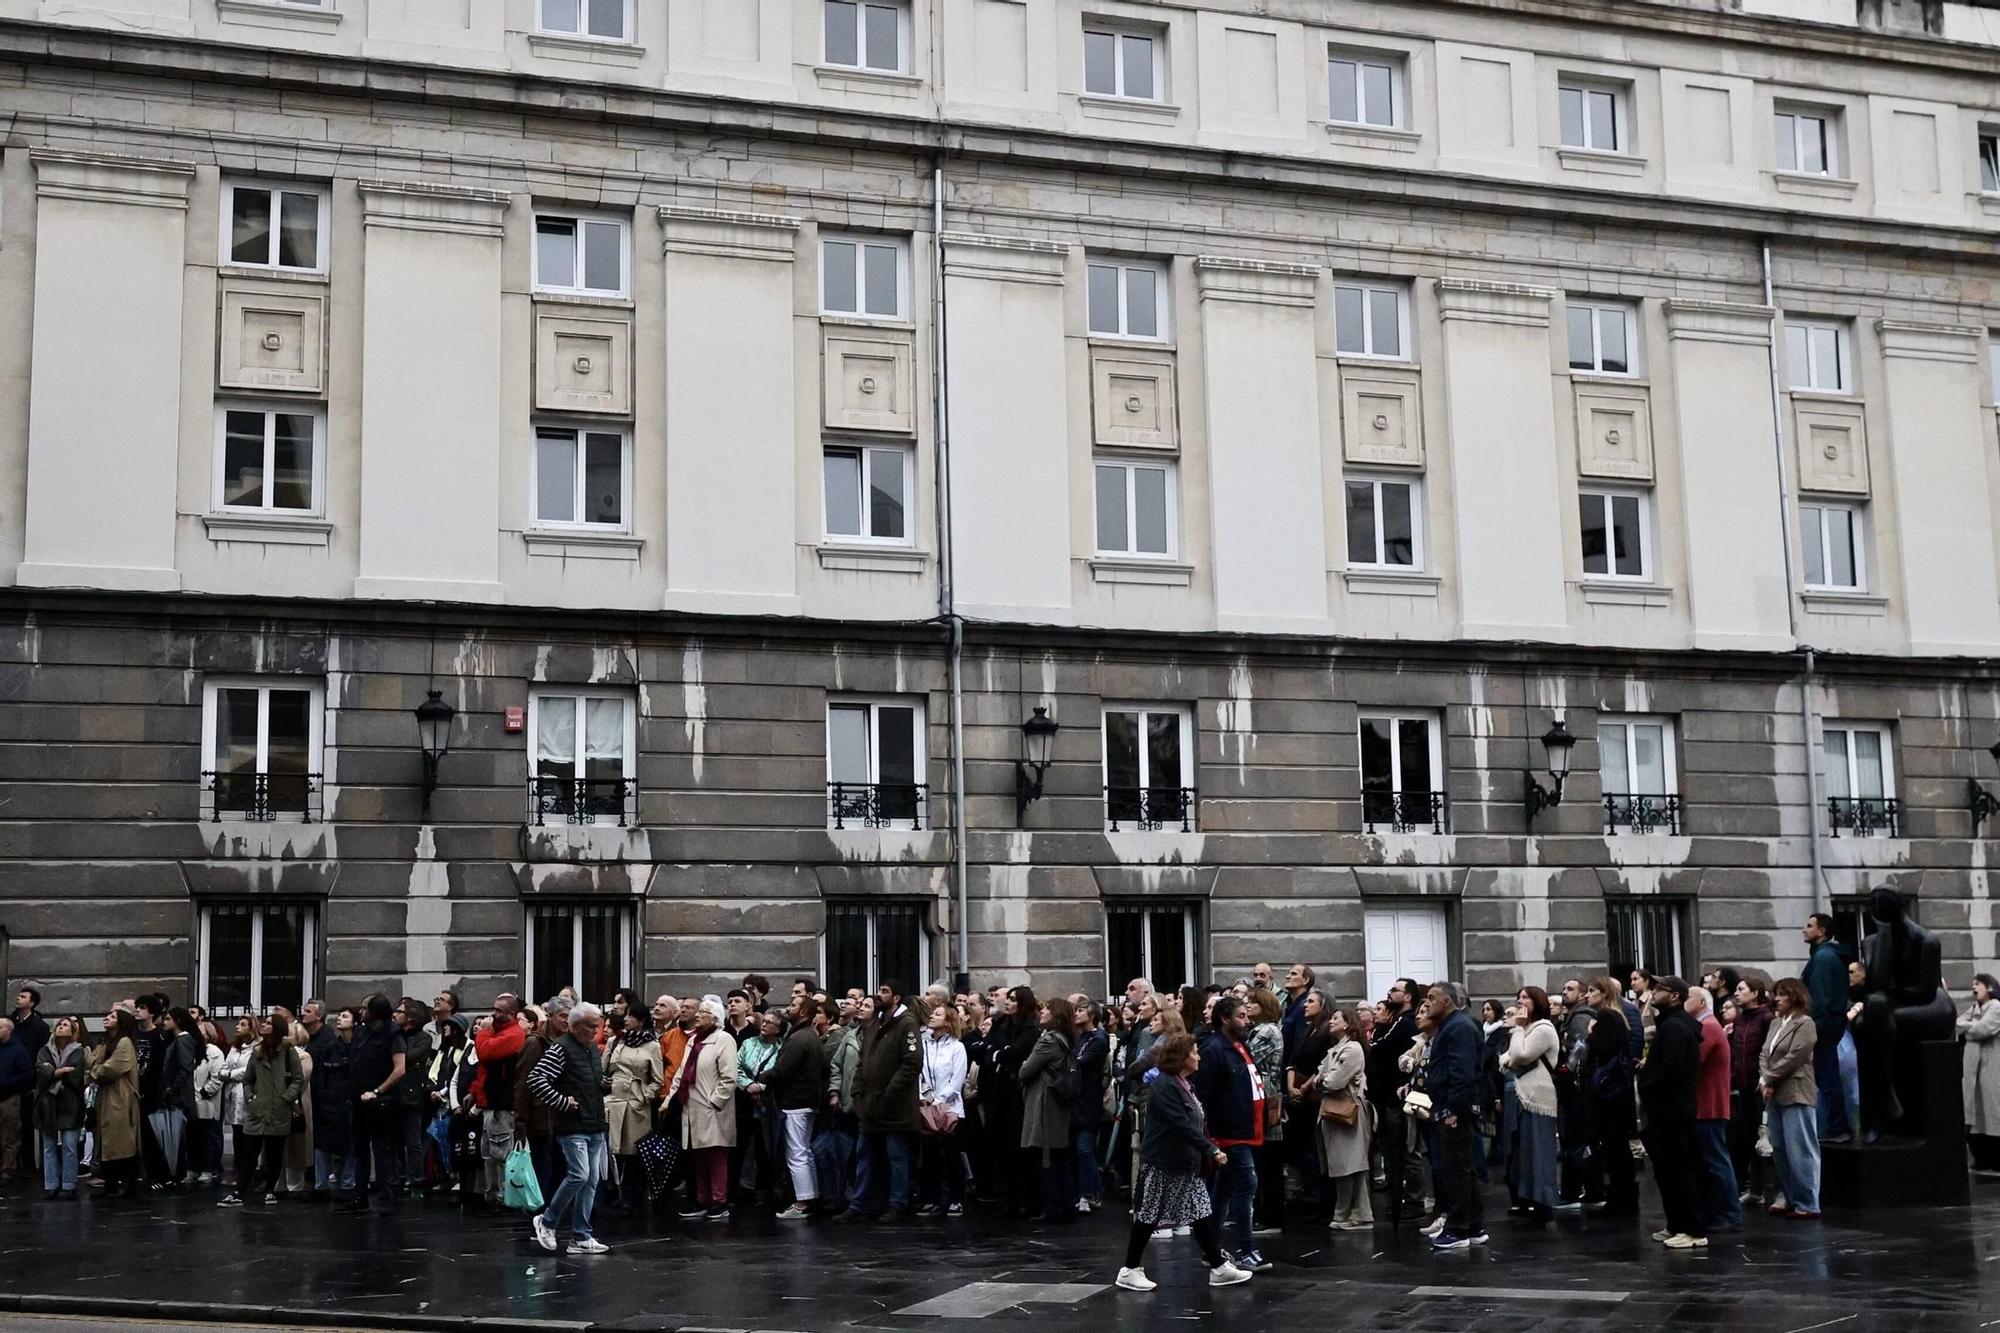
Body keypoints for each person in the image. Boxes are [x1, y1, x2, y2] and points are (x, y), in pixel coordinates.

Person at [1112, 1033, 1252, 1292]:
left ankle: (1218, 1266)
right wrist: (1210, 1149)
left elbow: (1194, 1121)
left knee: (1200, 1213)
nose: (1198, 1057)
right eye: (1194, 1052)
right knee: (1149, 1216)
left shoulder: (1182, 1084)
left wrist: (1206, 1148)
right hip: (1164, 1163)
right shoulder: (1166, 1085)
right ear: (1182, 1056)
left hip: (1183, 1163)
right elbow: (1181, 1124)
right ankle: (1129, 1269)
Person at [527, 1002, 612, 1255]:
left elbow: (588, 1081)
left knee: (591, 1180)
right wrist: (562, 1101)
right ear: (575, 1026)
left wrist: (604, 1084)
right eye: (591, 1026)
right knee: (579, 1175)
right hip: (572, 1123)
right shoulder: (561, 1049)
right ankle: (548, 1220)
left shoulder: (591, 1049)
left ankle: (581, 1236)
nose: (596, 1030)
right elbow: (536, 1079)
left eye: (598, 1025)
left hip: (594, 1121)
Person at [1193, 994, 1268, 1271]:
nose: (1247, 1021)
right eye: (1241, 1016)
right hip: (1230, 1133)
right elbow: (1203, 1094)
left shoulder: (1238, 1045)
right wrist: (1209, 1137)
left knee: (1223, 1190)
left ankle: (1210, 1248)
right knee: (1246, 1185)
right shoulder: (1215, 1049)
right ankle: (1246, 1249)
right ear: (1225, 1019)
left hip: (1244, 1129)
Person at [1637, 976, 1705, 1248]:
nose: (1653, 992)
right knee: (1666, 1171)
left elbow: (1672, 1068)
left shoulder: (1675, 1027)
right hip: (1668, 1109)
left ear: (1675, 996)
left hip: (1672, 1110)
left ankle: (1692, 1229)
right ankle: (1677, 1224)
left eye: (1660, 989)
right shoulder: (1670, 1024)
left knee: (1679, 1170)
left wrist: (1648, 1084)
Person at [850, 979, 922, 1223]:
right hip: (869, 1105)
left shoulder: (907, 1024)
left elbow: (911, 1064)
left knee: (896, 1157)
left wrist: (890, 1092)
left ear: (897, 997)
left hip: (895, 1107)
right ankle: (859, 1204)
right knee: (864, 1155)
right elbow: (863, 1060)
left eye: (885, 991)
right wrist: (857, 1089)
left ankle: (898, 1203)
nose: (879, 995)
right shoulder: (875, 1024)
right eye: (879, 990)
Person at [666, 997, 738, 1221]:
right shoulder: (694, 1040)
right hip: (692, 1107)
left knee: (715, 1154)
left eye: (703, 1012)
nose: (698, 1015)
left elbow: (729, 1077)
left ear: (715, 1018)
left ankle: (719, 1201)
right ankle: (702, 1199)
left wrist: (715, 1101)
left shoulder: (724, 1040)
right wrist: (669, 1100)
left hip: (712, 1109)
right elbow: (681, 1073)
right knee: (698, 1155)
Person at [1424, 983, 1484, 1250]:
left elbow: (1462, 1073)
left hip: (1455, 1110)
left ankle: (1459, 1229)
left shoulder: (1458, 1027)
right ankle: (1472, 1226)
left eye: (1431, 998)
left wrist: (1452, 1110)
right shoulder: (1452, 1026)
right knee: (1462, 1168)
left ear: (1446, 1001)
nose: (1426, 1004)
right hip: (1453, 1107)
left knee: (1456, 1169)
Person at [221, 1011, 302, 1207]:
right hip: (258, 1109)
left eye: (268, 1023)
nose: (263, 1025)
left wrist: (286, 1098)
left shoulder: (288, 1051)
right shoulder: (258, 1051)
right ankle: (239, 1192)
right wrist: (251, 1097)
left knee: (274, 1154)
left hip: (279, 1109)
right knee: (250, 1154)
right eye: (264, 1023)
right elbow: (248, 1079)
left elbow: (297, 1079)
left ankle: (270, 1191)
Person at [1499, 986, 1560, 1224]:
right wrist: (1512, 1054)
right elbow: (1504, 1060)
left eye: (1526, 997)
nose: (1521, 1001)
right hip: (1520, 1093)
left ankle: (1543, 1202)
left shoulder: (1543, 1028)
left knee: (1538, 1149)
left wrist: (1517, 1029)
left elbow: (1520, 1056)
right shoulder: (1526, 1029)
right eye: (1519, 997)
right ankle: (1524, 1198)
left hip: (1537, 1096)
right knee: (1519, 1150)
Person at [766, 991, 830, 1218]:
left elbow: (783, 1070)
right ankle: (810, 1196)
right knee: (804, 1152)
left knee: (797, 1153)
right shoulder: (808, 1036)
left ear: (803, 1012)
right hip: (805, 1101)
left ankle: (803, 1202)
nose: (788, 1008)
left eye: (793, 1005)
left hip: (796, 1102)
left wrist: (761, 1078)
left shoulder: (799, 1038)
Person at [1761, 978, 1821, 1219]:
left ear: (1795, 996)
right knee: (1779, 1148)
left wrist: (1768, 1078)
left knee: (1801, 1148)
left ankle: (1808, 1202)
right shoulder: (1776, 1023)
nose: (1777, 998)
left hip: (1796, 1090)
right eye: (1776, 994)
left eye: (1782, 994)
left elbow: (1796, 1055)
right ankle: (1791, 1197)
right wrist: (1766, 1078)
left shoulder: (1805, 1023)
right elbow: (1764, 1053)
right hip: (1776, 1091)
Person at [344, 994, 408, 1213]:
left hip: (382, 1101)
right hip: (358, 1098)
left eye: (364, 1008)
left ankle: (385, 1197)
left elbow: (400, 1068)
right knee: (359, 1148)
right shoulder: (361, 1031)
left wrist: (377, 1091)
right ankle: (359, 1196)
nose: (360, 1012)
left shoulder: (393, 1033)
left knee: (382, 1150)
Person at [1581, 976, 1638, 1217]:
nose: (1588, 995)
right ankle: (1622, 1197)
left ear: (1604, 994)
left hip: (1608, 1092)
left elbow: (1603, 1050)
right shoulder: (1616, 1017)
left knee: (1614, 1145)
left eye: (1592, 991)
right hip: (1616, 1090)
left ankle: (1620, 1199)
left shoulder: (1606, 1018)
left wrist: (1591, 1033)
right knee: (1617, 1145)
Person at [1685, 986, 1741, 1232]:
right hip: (1707, 1104)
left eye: (1688, 997)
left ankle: (1728, 1213)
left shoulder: (1707, 1027)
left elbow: (1693, 1060)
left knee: (1716, 1160)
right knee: (1712, 1160)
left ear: (1700, 1002)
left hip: (1709, 1105)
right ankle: (1720, 1212)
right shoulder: (1708, 1025)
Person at [1312, 1006, 1372, 1231]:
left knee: (1351, 1164)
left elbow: (1332, 1082)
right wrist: (1323, 1078)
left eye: (1336, 1018)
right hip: (1336, 1110)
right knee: (1343, 1164)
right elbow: (1322, 1075)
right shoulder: (1335, 1050)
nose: (1331, 1021)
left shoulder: (1352, 1049)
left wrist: (1322, 1079)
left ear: (1348, 1023)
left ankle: (1354, 1213)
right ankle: (1351, 1212)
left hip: (1348, 1111)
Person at [1020, 994, 1076, 1224]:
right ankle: (1064, 1203)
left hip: (1044, 1103)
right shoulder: (1065, 1039)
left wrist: (1024, 1065)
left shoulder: (1049, 1041)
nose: (1042, 1011)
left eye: (1047, 1009)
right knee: (1058, 1156)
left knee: (1047, 1157)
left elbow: (1026, 1070)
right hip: (1056, 1103)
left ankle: (1052, 1205)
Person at [603, 1007, 663, 1214]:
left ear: (641, 1019)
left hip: (636, 1103)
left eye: (631, 1016)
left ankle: (632, 1197)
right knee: (614, 1152)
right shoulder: (617, 1041)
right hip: (615, 1101)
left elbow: (657, 1079)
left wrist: (644, 1097)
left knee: (636, 1152)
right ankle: (615, 1195)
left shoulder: (652, 1045)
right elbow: (605, 1068)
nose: (626, 1019)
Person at [1801, 913, 1854, 1141]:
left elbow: (1820, 998)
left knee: (1827, 1076)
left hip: (1823, 1025)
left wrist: (1811, 1026)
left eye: (1809, 926)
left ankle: (1838, 1127)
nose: (1804, 929)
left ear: (1822, 931)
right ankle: (1836, 1126)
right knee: (1826, 1075)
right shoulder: (1825, 956)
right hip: (1829, 1024)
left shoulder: (1823, 958)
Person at [470, 995, 526, 1211]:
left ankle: (505, 1196)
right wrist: (474, 1092)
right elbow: (485, 1069)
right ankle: (492, 1195)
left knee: (502, 1153)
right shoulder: (500, 1033)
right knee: (489, 1154)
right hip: (490, 1103)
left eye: (499, 1011)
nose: (493, 1014)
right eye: (493, 1009)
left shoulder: (514, 1035)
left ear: (511, 1014)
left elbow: (485, 1052)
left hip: (502, 1105)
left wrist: (483, 1031)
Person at [915, 999, 967, 1217]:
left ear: (947, 1021)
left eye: (937, 1014)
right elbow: (920, 1073)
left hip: (950, 1108)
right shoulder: (924, 1044)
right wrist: (923, 1095)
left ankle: (956, 1198)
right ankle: (931, 1198)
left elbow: (957, 1079)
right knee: (930, 1156)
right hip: (927, 1107)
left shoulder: (957, 1047)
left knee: (952, 1155)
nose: (932, 1016)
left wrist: (940, 1100)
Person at [1728, 976, 1776, 1203]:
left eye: (1741, 989)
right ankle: (1754, 1188)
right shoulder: (1740, 1019)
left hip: (1759, 1085)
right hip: (1743, 1086)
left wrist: (1766, 1078)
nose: (1737, 993)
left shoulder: (1766, 1018)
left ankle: (1763, 1187)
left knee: (1762, 1136)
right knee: (1746, 1137)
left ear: (1755, 993)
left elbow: (1768, 1051)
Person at [1244, 987, 1287, 1230]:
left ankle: (1271, 1216)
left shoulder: (1267, 1032)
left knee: (1268, 1161)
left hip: (1266, 1098)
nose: (1248, 1006)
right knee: (1263, 1160)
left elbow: (1249, 1059)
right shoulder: (1258, 1030)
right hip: (1262, 1095)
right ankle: (1264, 1213)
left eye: (1253, 1002)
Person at [736, 1007, 785, 1209]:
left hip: (769, 1103)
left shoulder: (782, 1047)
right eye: (763, 1021)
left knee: (766, 1147)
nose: (764, 1024)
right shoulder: (748, 1043)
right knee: (744, 1145)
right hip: (746, 1101)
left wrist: (762, 1086)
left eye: (770, 1022)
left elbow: (778, 1071)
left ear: (779, 1028)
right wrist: (748, 1085)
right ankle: (744, 1189)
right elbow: (737, 1066)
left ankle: (766, 1190)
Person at [32, 1014, 85, 1199]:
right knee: (49, 1145)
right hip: (48, 1103)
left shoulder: (78, 1051)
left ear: (72, 1031)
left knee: (70, 1145)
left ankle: (69, 1184)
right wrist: (58, 1071)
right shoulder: (44, 1050)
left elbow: (76, 1074)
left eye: (65, 1025)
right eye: (59, 1025)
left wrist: (52, 1072)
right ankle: (51, 1184)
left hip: (70, 1103)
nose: (61, 1027)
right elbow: (40, 1070)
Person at [1068, 996, 1111, 1214]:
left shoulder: (1098, 1038)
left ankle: (1089, 1193)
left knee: (1084, 1149)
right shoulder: (1080, 1037)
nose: (1076, 1013)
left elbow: (1078, 1061)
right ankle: (1091, 1189)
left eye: (1081, 1010)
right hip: (1077, 1101)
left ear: (1092, 1014)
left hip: (1088, 1103)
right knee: (1080, 1150)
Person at [393, 999, 435, 1196]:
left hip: (411, 1094)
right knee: (395, 1141)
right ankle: (398, 1178)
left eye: (399, 1011)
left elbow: (409, 1057)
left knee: (413, 1141)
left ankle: (416, 1180)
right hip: (394, 1093)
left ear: (410, 1017)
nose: (395, 1014)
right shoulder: (395, 1035)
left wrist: (398, 1056)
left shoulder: (423, 1038)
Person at [1960, 974, 2000, 1176]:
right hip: (1973, 1069)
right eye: (1973, 983)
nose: (1973, 987)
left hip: (1991, 1066)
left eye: (1978, 984)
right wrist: (1969, 1026)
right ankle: (1981, 1159)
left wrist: (1968, 1027)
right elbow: (1956, 1025)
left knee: (1992, 1112)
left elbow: (1984, 1029)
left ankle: (1995, 1158)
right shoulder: (1975, 1009)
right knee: (1976, 1114)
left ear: (1990, 987)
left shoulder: (1996, 1007)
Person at [189, 1018, 228, 1187]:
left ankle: (209, 1168)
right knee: (193, 1137)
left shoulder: (214, 1051)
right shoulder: (191, 1050)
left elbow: (217, 1076)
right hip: (192, 1101)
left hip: (206, 1101)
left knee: (208, 1136)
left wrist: (205, 1091)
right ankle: (194, 1168)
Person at [0, 1018, 27, 1183]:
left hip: (9, 1097)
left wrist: (7, 1083)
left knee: (8, 1136)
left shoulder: (18, 1050)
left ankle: (8, 1170)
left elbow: (26, 1074)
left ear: (8, 1030)